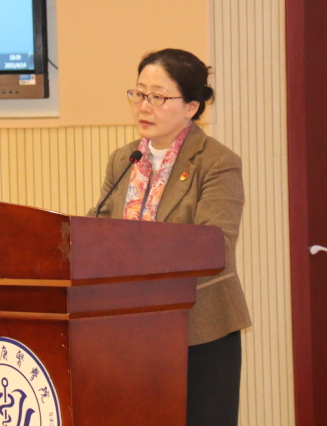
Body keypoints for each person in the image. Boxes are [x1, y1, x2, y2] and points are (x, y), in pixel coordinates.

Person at [89, 48, 252, 425]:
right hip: (126, 329)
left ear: (191, 106)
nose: (144, 106)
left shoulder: (216, 162)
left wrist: (138, 249)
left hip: (199, 331)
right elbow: (98, 227)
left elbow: (215, 245)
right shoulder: (124, 159)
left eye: (158, 97)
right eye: (139, 94)